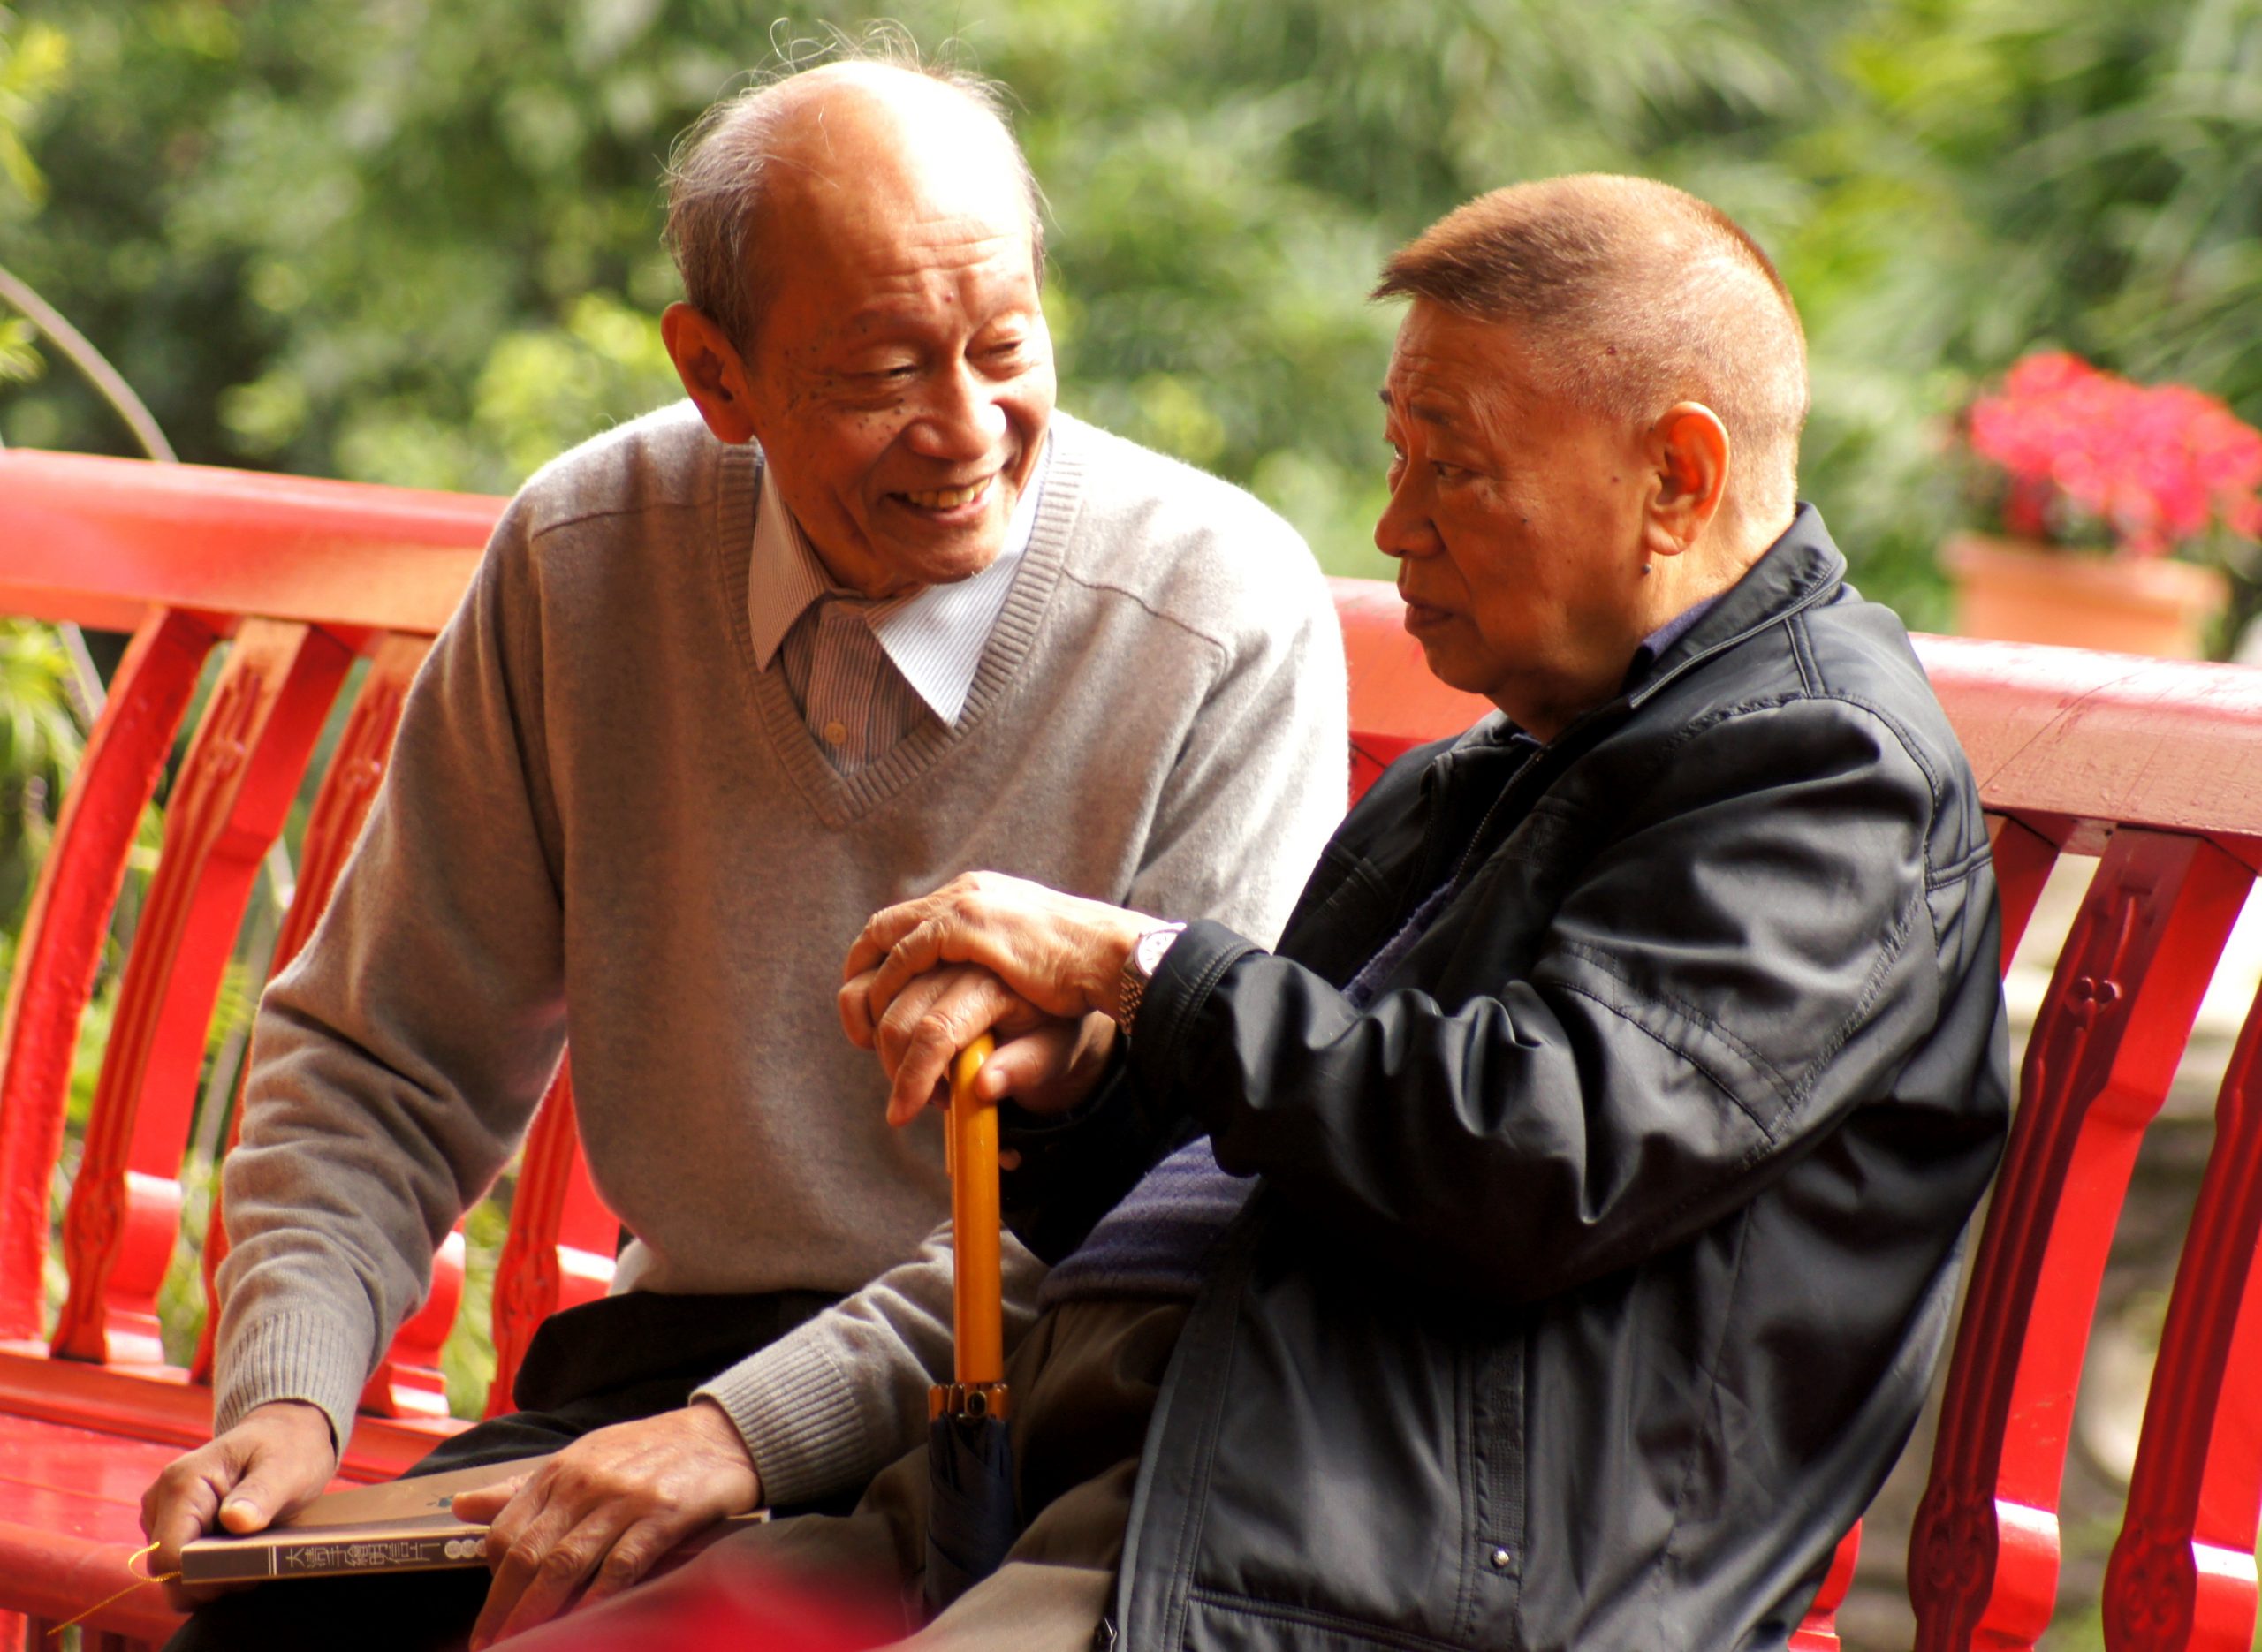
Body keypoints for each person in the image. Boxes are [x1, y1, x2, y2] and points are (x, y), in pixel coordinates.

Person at [518, 172, 2011, 1652]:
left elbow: (1528, 1153)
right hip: (1063, 1477)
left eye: (1457, 468)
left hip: (1321, 1563)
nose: (1396, 523)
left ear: (1676, 478)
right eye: (1396, 451)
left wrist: (1137, 964)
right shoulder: (1508, 763)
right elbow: (1282, 1140)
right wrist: (1087, 1081)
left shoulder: (1824, 775)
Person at [140, 45, 1347, 1652]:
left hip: (1039, 1421)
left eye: (1006, 342)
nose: (968, 426)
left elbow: (1155, 1191)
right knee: (269, 1630)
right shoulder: (586, 553)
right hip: (663, 1378)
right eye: (883, 372)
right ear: (718, 378)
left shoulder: (1220, 611)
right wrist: (287, 1400)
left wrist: (748, 1435)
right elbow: (382, 1055)